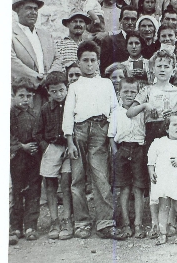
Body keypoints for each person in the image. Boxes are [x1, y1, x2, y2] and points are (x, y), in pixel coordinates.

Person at [62, 40, 122, 240]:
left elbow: (114, 109)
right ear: (78, 63)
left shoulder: (105, 83)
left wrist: (110, 135)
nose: (89, 64)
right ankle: (81, 222)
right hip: (79, 130)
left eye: (92, 60)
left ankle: (105, 222)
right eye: (85, 60)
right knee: (77, 178)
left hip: (99, 130)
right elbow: (68, 113)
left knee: (100, 176)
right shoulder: (74, 86)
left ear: (98, 62)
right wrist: (69, 141)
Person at [126, 50, 177, 238]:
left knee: (173, 178)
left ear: (173, 69)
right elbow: (130, 112)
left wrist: (175, 114)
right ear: (152, 69)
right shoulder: (147, 90)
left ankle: (171, 222)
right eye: (159, 65)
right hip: (152, 137)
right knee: (155, 179)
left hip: (173, 137)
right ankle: (154, 223)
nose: (163, 69)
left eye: (167, 66)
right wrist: (145, 106)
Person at [147, 111, 177, 245]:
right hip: (163, 179)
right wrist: (151, 172)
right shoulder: (158, 143)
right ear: (167, 128)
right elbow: (151, 161)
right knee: (163, 206)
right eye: (174, 124)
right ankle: (162, 233)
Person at [34, 71, 73, 240]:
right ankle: (54, 220)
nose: (58, 94)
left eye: (61, 90)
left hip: (68, 148)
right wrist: (47, 148)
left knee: (66, 184)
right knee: (50, 185)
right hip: (52, 148)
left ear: (67, 88)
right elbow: (37, 133)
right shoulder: (44, 109)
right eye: (54, 91)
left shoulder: (72, 105)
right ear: (48, 92)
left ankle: (67, 219)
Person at [108, 77, 148, 239]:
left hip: (139, 149)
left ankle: (138, 224)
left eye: (133, 91)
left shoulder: (142, 112)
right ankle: (126, 224)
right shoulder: (116, 112)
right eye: (126, 91)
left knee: (139, 188)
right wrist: (116, 152)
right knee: (124, 188)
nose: (129, 95)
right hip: (122, 150)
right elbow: (111, 135)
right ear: (119, 93)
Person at [12, 0, 63, 112]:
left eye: (35, 9)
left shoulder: (46, 35)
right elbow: (12, 62)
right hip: (26, 93)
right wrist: (39, 79)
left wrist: (50, 78)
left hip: (49, 93)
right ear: (18, 10)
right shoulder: (10, 34)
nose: (33, 12)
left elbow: (58, 58)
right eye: (28, 8)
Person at [10, 77, 41, 243]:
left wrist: (36, 146)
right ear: (14, 95)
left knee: (33, 191)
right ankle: (15, 227)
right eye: (21, 96)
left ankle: (31, 226)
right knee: (17, 191)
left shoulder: (35, 114)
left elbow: (39, 133)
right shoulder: (9, 115)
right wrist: (22, 146)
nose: (25, 99)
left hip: (33, 159)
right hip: (16, 158)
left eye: (29, 96)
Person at [100, 6, 138, 75]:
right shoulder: (110, 40)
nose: (130, 22)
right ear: (120, 20)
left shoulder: (141, 41)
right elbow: (104, 69)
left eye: (133, 19)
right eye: (126, 19)